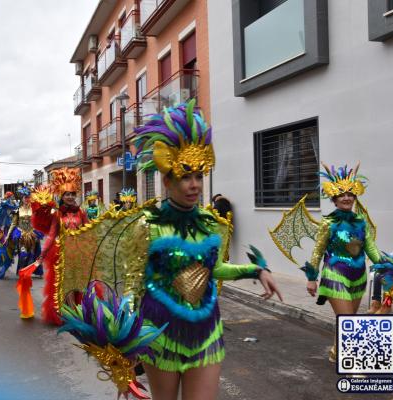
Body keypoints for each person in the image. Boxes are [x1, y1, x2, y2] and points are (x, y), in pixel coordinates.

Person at [58, 100, 282, 400]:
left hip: (206, 333)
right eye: (185, 176)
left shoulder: (211, 225)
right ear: (166, 180)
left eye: (199, 176)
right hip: (159, 335)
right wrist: (124, 346)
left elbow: (214, 270)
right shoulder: (147, 226)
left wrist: (256, 270)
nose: (194, 185)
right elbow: (132, 287)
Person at [304, 163, 382, 362]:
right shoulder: (328, 223)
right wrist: (312, 278)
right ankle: (352, 364)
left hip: (358, 276)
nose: (346, 198)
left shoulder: (361, 222)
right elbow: (317, 251)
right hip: (334, 273)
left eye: (350, 194)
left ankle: (336, 351)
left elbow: (370, 247)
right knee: (350, 321)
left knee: (346, 321)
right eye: (341, 195)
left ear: (354, 197)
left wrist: (385, 265)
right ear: (335, 199)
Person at [30, 168, 89, 325]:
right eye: (67, 194)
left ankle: (80, 310)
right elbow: (51, 235)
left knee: (80, 284)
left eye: (72, 194)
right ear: (61, 196)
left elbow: (89, 230)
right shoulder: (57, 214)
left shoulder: (81, 212)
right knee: (66, 284)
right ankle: (70, 313)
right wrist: (42, 255)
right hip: (62, 254)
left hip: (79, 253)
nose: (70, 197)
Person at [368, 226, 393, 314]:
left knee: (387, 278)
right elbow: (391, 256)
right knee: (378, 276)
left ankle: (387, 305)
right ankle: (376, 303)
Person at [0, 192, 20, 280]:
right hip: (5, 231)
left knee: (11, 251)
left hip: (10, 230)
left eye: (12, 197)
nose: (12, 198)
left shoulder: (10, 205)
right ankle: (3, 271)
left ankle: (3, 271)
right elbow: (11, 209)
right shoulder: (5, 205)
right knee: (7, 251)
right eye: (11, 197)